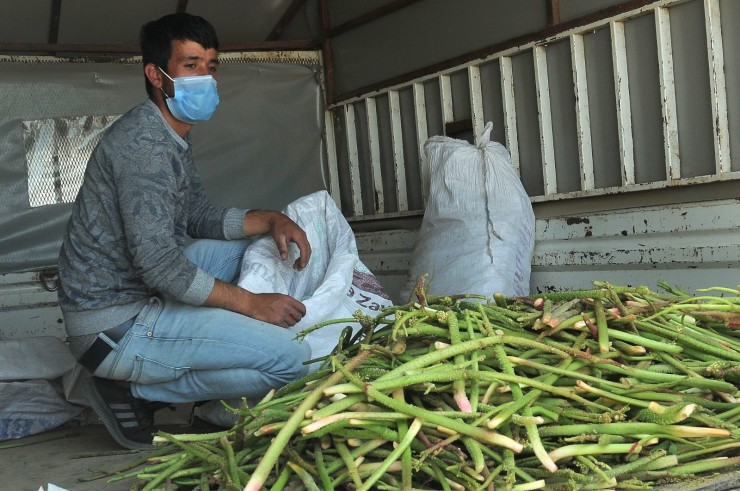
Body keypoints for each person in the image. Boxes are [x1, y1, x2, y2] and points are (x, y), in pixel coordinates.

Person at [57, 13, 312, 450]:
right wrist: (250, 304)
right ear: (157, 75)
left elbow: (195, 213)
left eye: (211, 66)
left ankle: (215, 345)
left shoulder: (170, 132)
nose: (205, 78)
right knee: (292, 361)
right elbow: (161, 268)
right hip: (115, 321)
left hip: (143, 289)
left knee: (260, 251)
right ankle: (134, 391)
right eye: (190, 65)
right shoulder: (143, 146)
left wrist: (271, 219)